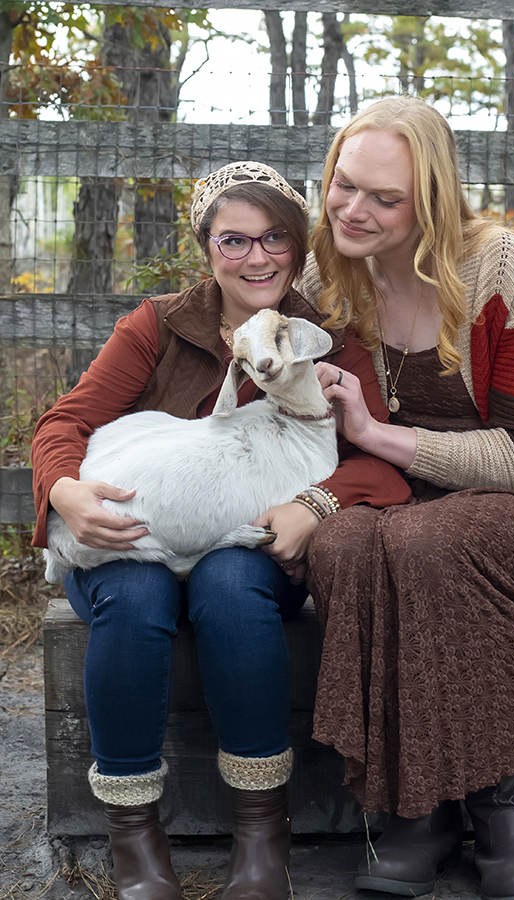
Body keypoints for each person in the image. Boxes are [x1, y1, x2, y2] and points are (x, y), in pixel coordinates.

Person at [30, 161, 411, 900]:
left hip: (243, 541)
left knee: (232, 585)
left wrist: (317, 504)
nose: (256, 257)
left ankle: (260, 837)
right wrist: (66, 492)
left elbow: (384, 465)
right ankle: (134, 837)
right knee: (135, 596)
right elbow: (65, 422)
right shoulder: (159, 324)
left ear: (299, 248)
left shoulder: (323, 339)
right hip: (130, 537)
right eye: (233, 241)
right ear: (205, 247)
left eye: (274, 239)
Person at [294, 95, 514, 900]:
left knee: (424, 542)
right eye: (343, 185)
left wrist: (375, 430)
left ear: (427, 200)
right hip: (380, 498)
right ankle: (416, 809)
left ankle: (495, 806)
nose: (353, 210)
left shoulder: (502, 266)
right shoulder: (325, 267)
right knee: (343, 545)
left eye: (383, 198)